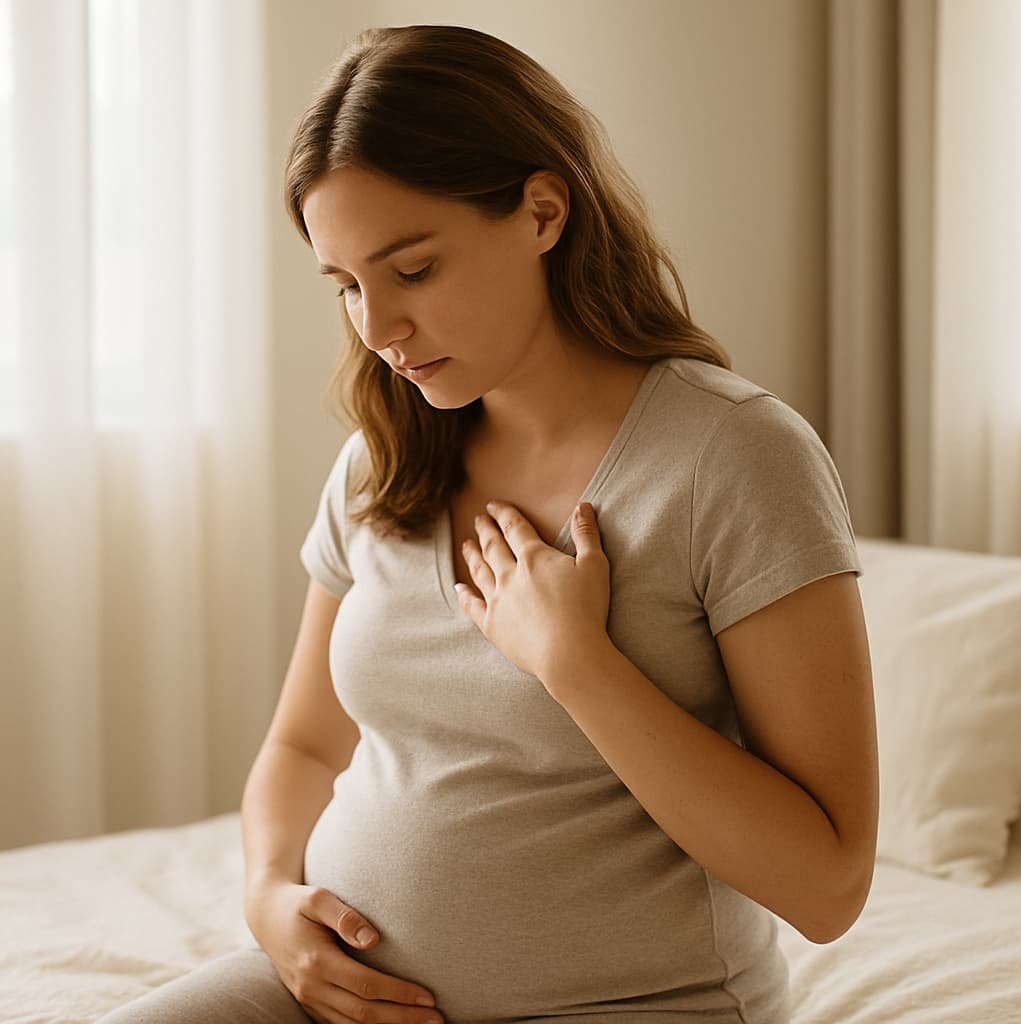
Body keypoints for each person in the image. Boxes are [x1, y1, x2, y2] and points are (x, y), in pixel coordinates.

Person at [97, 22, 878, 1024]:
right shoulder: (383, 459)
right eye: (346, 287)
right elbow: (299, 747)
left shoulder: (732, 457)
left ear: (541, 210)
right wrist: (269, 902)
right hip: (338, 998)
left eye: (412, 270)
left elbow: (827, 886)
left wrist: (577, 664)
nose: (377, 330)